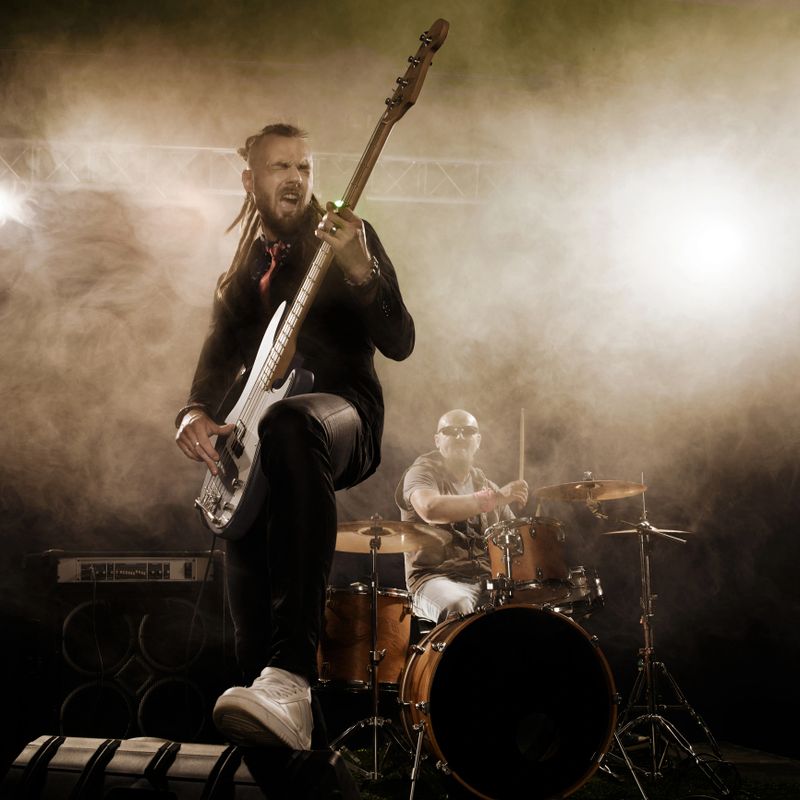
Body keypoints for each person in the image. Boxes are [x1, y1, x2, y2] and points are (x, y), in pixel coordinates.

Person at [174, 123, 414, 750]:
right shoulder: (248, 261)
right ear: (250, 180)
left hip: (342, 417)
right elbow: (217, 354)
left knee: (291, 421)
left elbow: (400, 342)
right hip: (258, 443)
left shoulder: (345, 236)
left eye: (304, 167)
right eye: (280, 167)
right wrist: (193, 412)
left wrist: (362, 270)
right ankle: (282, 721)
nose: (296, 179)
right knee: (248, 642)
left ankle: (295, 674)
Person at [394, 409, 528, 623]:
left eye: (467, 431)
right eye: (450, 431)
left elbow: (517, 540)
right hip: (433, 579)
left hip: (486, 582)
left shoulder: (487, 485)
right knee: (459, 606)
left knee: (529, 612)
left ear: (478, 441)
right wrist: (493, 499)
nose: (459, 436)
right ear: (437, 440)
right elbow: (430, 508)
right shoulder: (421, 473)